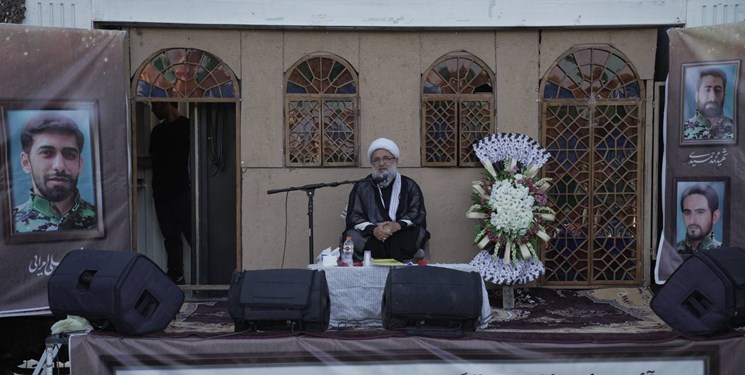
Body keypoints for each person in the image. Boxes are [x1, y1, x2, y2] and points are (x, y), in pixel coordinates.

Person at [343, 138, 429, 262]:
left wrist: (397, 225)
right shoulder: (362, 186)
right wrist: (374, 229)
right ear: (372, 163)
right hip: (371, 234)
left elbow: (417, 212)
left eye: (386, 158)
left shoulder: (409, 185)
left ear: (396, 160)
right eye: (376, 160)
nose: (381, 163)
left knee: (416, 232)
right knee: (353, 235)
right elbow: (353, 215)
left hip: (401, 233)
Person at [13, 112, 96, 232]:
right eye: (47, 153)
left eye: (69, 154)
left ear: (80, 164)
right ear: (26, 163)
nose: (59, 166)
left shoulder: (104, 218)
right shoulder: (9, 224)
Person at [149, 102, 192, 284]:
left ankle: (205, 275)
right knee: (170, 235)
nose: (152, 109)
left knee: (192, 233)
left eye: (154, 104)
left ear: (165, 103)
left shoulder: (188, 126)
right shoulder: (157, 132)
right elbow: (154, 160)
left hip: (181, 189)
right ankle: (176, 274)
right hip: (161, 191)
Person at [683, 67, 734, 140]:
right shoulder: (682, 131)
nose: (712, 98)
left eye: (718, 90)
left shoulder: (739, 129)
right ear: (696, 96)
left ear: (724, 96)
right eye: (707, 90)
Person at [675, 183, 722, 254]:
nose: (692, 221)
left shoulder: (724, 251)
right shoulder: (672, 251)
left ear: (715, 217)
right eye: (687, 213)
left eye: (700, 212)